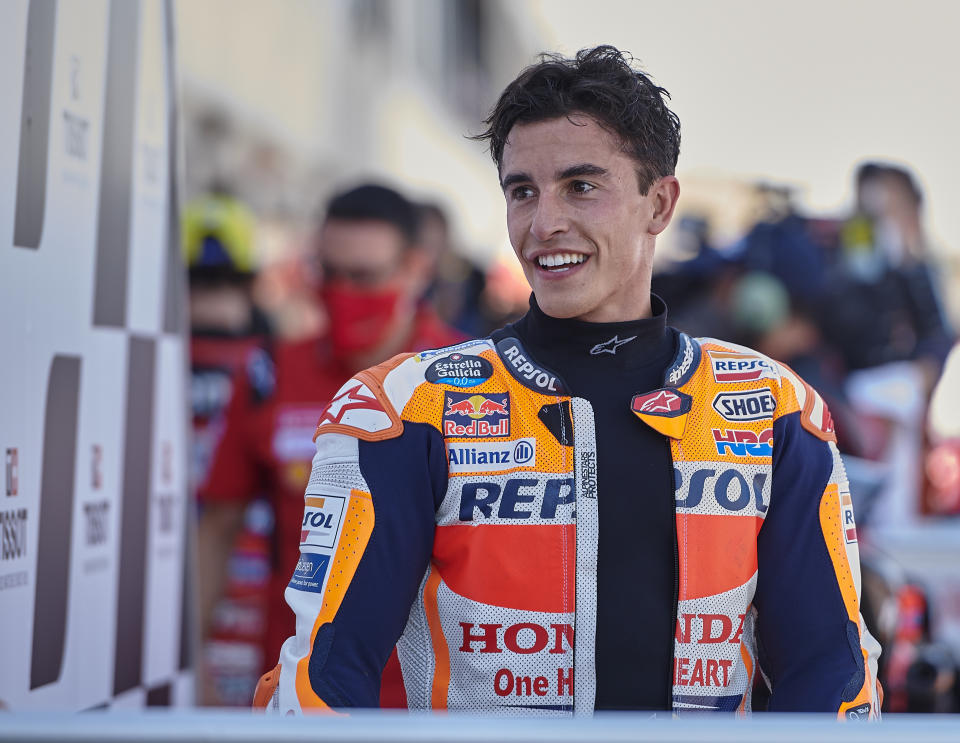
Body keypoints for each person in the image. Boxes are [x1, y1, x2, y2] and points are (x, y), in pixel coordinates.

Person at [254, 46, 881, 717]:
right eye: (522, 190)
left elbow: (832, 678)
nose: (543, 222)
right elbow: (321, 684)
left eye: (581, 186)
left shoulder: (772, 409)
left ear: (660, 203)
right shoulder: (404, 410)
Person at [198, 183, 464, 704]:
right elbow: (217, 527)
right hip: (296, 690)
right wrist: (195, 657)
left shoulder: (472, 378)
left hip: (431, 700)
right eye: (329, 273)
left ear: (416, 268)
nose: (342, 291)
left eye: (363, 275)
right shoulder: (268, 372)